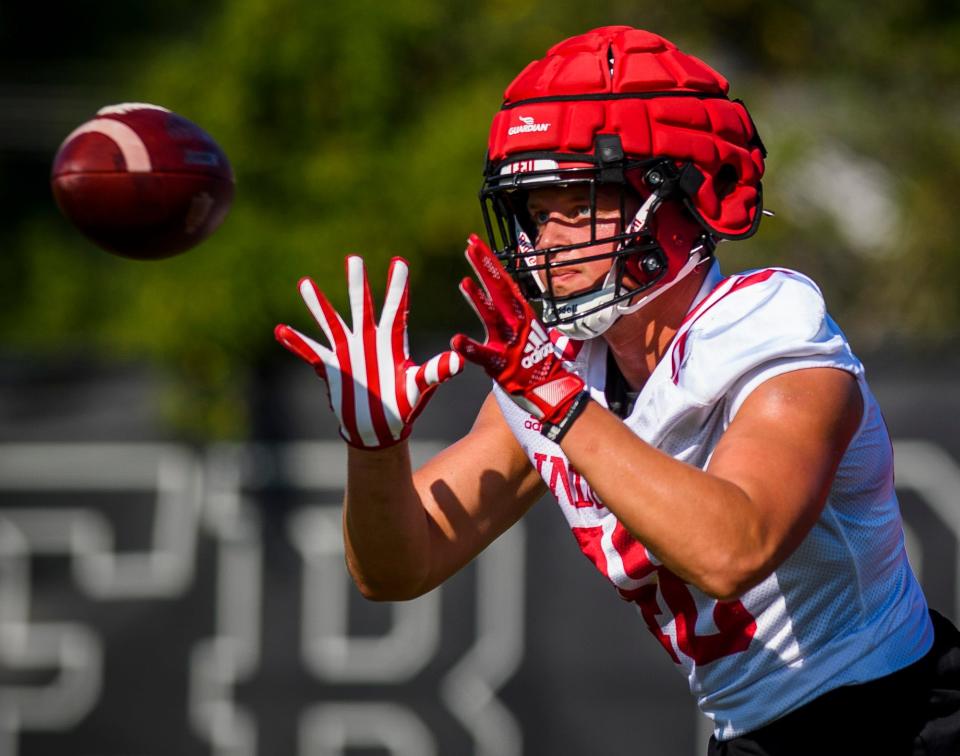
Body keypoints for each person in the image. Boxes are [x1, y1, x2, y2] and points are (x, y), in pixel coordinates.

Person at [275, 26, 960, 756]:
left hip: (899, 723)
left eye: (579, 203)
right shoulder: (559, 368)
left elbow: (734, 550)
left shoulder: (767, 324)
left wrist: (560, 403)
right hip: (752, 739)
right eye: (536, 212)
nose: (548, 242)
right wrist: (375, 449)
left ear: (687, 199)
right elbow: (398, 566)